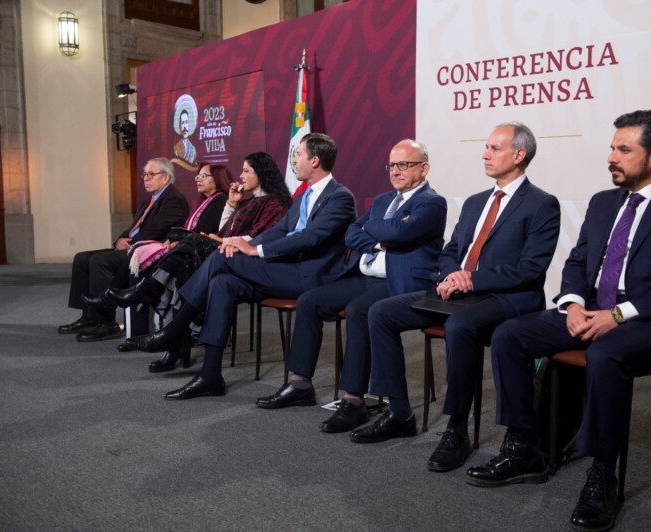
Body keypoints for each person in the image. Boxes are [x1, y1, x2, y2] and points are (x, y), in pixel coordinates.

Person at [470, 110, 651, 532]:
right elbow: (579, 261)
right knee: (510, 335)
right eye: (612, 147)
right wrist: (570, 305)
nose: (611, 156)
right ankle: (524, 446)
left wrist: (618, 314)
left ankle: (603, 474)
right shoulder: (604, 202)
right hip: (589, 309)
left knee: (605, 354)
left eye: (624, 149)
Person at [350, 123, 561, 473]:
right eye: (486, 147)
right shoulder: (477, 202)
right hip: (457, 291)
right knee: (382, 312)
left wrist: (471, 280)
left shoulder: (541, 204)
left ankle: (456, 430)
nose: (485, 154)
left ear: (519, 155)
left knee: (460, 326)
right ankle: (399, 412)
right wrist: (452, 274)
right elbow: (450, 252)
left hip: (506, 298)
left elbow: (530, 270)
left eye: (494, 148)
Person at [130, 133, 357, 400]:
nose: (294, 160)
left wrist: (255, 249)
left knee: (220, 257)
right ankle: (210, 375)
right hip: (284, 271)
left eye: (298, 155)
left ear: (315, 160)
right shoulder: (304, 196)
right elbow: (280, 230)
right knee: (222, 283)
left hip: (309, 277)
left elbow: (312, 237)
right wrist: (240, 243)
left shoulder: (340, 197)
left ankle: (175, 329)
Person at [255, 139, 447, 434]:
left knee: (359, 311)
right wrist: (384, 239)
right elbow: (351, 233)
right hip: (364, 276)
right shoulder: (384, 200)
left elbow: (401, 230)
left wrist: (380, 232)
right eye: (392, 165)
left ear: (424, 168)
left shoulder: (432, 202)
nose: (395, 171)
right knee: (310, 300)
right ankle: (300, 383)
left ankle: (354, 401)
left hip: (402, 283)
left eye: (403, 165)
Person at [107, 153, 291, 372]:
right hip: (226, 251)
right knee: (184, 266)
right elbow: (225, 230)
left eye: (246, 171)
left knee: (191, 242)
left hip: (244, 259)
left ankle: (153, 300)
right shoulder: (249, 200)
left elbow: (264, 238)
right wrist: (231, 205)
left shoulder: (274, 203)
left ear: (261, 173)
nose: (241, 175)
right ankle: (174, 338)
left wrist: (224, 239)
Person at [57, 157, 189, 342]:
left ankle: (106, 322)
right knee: (82, 258)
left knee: (100, 261)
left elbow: (156, 230)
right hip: (134, 246)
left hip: (149, 252)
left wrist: (129, 241)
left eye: (151, 174)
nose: (145, 178)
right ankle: (88, 316)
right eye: (144, 174)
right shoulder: (148, 201)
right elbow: (134, 228)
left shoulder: (174, 199)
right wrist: (120, 239)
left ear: (166, 178)